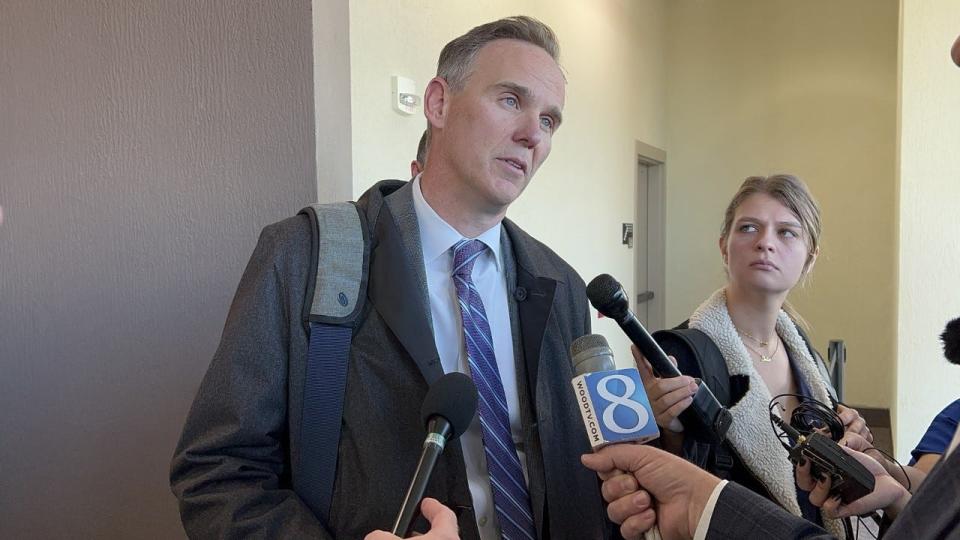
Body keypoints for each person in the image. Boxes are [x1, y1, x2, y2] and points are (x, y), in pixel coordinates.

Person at [170, 16, 614, 540]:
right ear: (438, 104)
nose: (531, 135)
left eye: (550, 121)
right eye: (511, 101)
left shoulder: (560, 285)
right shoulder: (303, 256)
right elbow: (218, 471)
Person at [639, 174, 871, 535]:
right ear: (723, 246)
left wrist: (846, 437)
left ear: (810, 259)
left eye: (787, 232)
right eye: (749, 228)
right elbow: (657, 487)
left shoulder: (806, 356)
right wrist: (659, 428)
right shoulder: (679, 355)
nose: (765, 243)